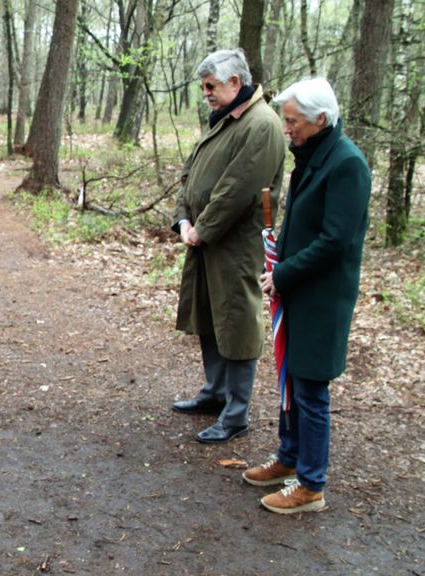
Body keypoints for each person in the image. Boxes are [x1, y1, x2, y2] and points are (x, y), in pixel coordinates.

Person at [243, 77, 372, 514]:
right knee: (291, 380)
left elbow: (337, 240)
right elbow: (304, 223)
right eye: (286, 119)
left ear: (321, 119)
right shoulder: (312, 155)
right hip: (297, 288)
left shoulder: (347, 164)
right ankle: (289, 457)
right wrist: (279, 256)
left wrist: (286, 274)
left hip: (322, 297)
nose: (287, 128)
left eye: (293, 120)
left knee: (311, 388)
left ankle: (311, 484)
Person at [171, 49, 286, 444]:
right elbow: (190, 176)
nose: (206, 93)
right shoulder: (223, 119)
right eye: (203, 87)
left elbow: (238, 188)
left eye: (211, 86)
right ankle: (215, 393)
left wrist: (203, 228)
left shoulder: (261, 125)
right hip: (204, 239)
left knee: (236, 322)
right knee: (208, 316)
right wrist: (183, 219)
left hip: (235, 245)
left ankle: (236, 413)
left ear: (236, 83)